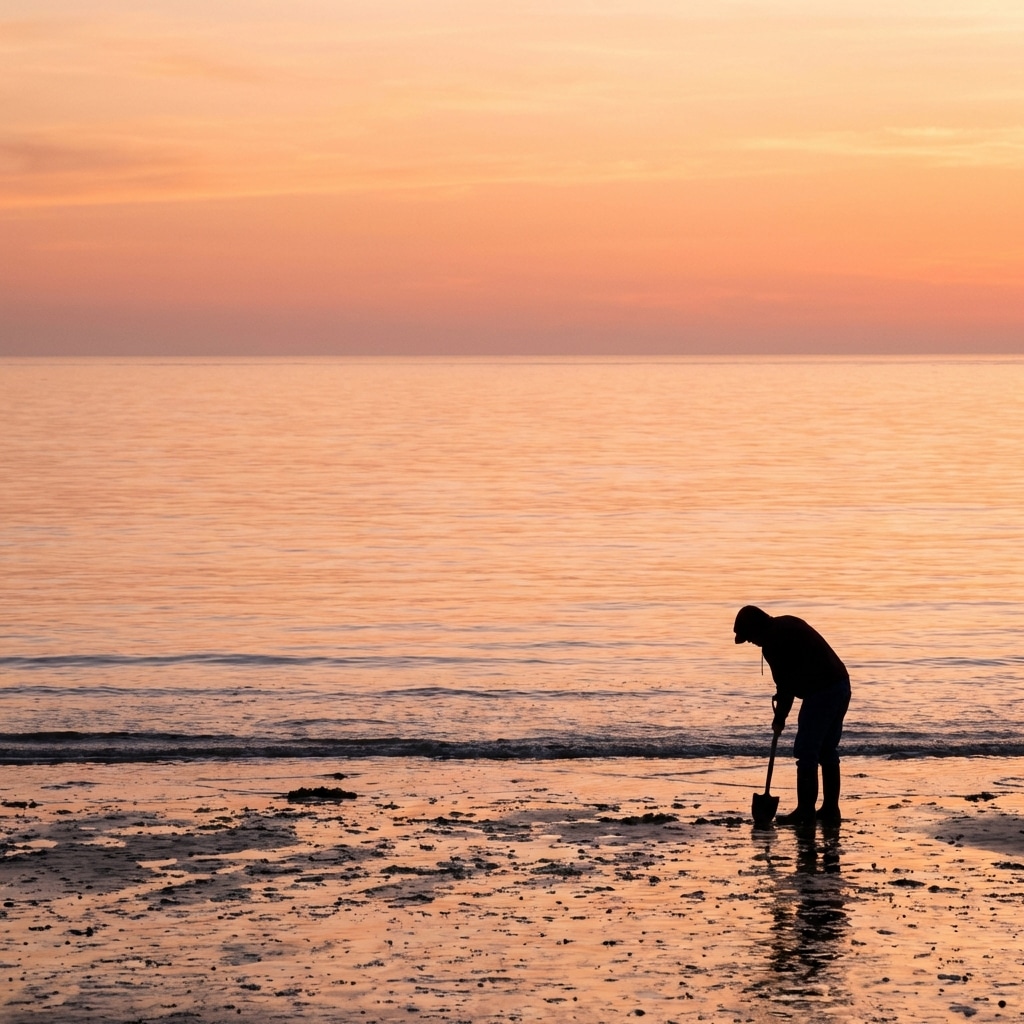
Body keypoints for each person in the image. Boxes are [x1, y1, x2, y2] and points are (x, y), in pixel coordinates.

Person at [734, 605, 851, 826]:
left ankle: (806, 811)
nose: (751, 642)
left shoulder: (773, 641)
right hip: (841, 684)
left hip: (822, 691)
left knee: (807, 750)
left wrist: (780, 719)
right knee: (826, 750)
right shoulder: (785, 623)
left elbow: (786, 686)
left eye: (749, 637)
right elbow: (788, 682)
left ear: (756, 628)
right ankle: (830, 810)